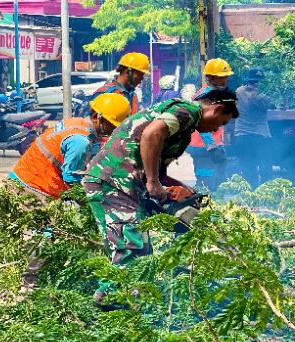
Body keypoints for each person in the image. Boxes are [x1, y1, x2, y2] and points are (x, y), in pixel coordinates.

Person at [82, 88, 238, 304]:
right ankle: (110, 303)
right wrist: (153, 183)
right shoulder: (188, 112)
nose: (216, 129)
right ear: (217, 109)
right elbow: (150, 135)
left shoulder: (184, 122)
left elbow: (153, 162)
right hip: (113, 182)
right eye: (220, 122)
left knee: (144, 248)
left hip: (128, 184)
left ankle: (135, 300)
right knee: (130, 246)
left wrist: (181, 188)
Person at [10, 94, 131, 199]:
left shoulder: (78, 123)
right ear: (96, 118)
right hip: (31, 188)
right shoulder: (80, 141)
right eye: (112, 125)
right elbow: (72, 182)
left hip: (23, 179)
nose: (113, 131)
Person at [187, 58, 234, 189]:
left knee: (217, 181)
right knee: (206, 182)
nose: (226, 80)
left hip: (208, 144)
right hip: (203, 146)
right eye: (222, 77)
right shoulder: (205, 96)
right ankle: (202, 206)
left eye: (226, 76)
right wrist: (212, 147)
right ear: (211, 78)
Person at [232, 67, 274, 187]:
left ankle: (251, 195)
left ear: (248, 80)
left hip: (242, 136)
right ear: (259, 82)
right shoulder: (262, 96)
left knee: (247, 167)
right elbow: (272, 105)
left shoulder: (238, 92)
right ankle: (266, 193)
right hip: (260, 135)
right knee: (265, 166)